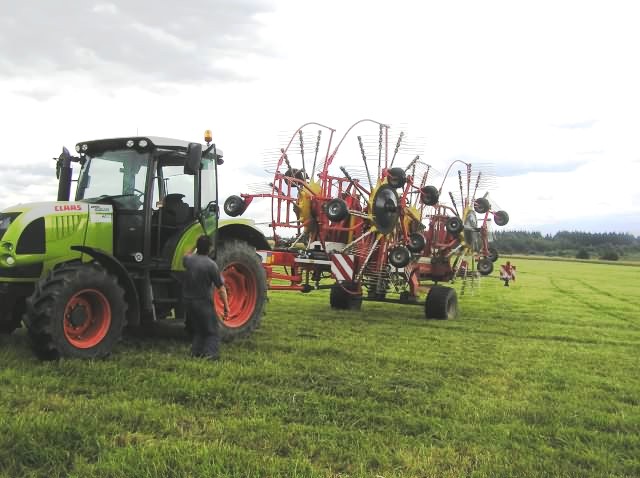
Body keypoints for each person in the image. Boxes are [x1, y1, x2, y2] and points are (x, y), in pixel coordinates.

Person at [182, 235, 229, 360]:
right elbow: (221, 288)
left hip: (188, 301)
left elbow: (186, 254)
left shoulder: (188, 260)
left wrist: (194, 245)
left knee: (199, 329)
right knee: (212, 331)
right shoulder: (211, 265)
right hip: (202, 302)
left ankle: (195, 352)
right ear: (210, 248)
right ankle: (210, 354)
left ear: (198, 247)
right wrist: (226, 306)